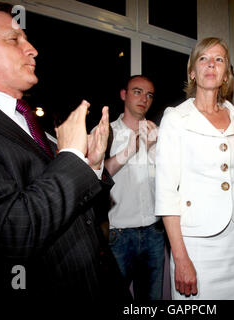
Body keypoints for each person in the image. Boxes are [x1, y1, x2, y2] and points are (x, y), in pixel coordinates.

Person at [0, 0, 129, 312]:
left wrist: (90, 165)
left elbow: (74, 205)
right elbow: (12, 232)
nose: (32, 49)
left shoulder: (30, 122)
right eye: (13, 39)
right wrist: (74, 157)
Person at [155, 37, 234, 300]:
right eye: (203, 58)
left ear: (226, 75)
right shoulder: (176, 118)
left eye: (219, 59)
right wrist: (181, 259)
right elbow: (166, 194)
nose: (211, 64)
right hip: (195, 245)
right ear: (192, 72)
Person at [101, 75, 164, 300]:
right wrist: (128, 151)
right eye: (137, 91)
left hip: (154, 233)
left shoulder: (159, 134)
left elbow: (171, 180)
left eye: (149, 95)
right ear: (123, 95)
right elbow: (95, 176)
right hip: (118, 235)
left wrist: (155, 149)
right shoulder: (105, 132)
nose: (144, 98)